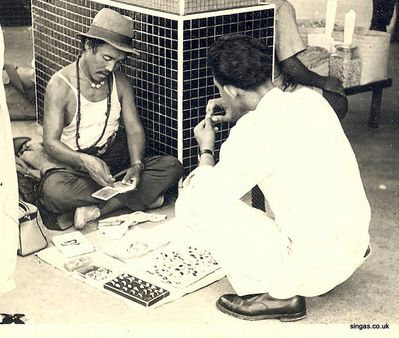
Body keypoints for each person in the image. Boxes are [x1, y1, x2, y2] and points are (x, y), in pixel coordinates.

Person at [175, 35, 371, 321]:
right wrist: (243, 111)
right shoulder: (310, 100)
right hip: (352, 250)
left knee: (191, 202)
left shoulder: (253, 131)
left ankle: (282, 295)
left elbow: (203, 202)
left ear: (231, 90)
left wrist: (206, 150)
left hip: (313, 270)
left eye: (223, 90)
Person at [39, 8, 183, 230]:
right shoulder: (60, 86)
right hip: (74, 166)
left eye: (118, 62)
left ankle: (96, 210)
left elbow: (134, 129)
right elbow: (50, 143)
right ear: (88, 46)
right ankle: (136, 200)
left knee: (171, 167)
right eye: (107, 58)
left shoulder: (120, 82)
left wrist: (136, 165)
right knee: (54, 192)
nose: (111, 68)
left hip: (115, 161)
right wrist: (85, 161)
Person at [268, 0, 348, 119]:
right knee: (340, 104)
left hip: (250, 82)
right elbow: (289, 65)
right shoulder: (282, 7)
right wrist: (323, 81)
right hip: (274, 88)